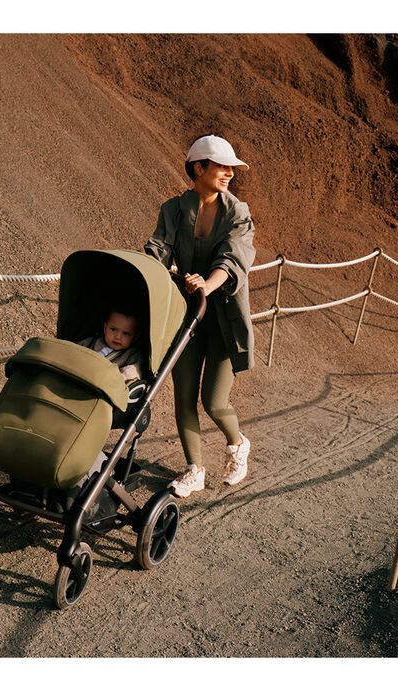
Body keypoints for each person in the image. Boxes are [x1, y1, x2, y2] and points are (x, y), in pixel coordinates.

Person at [144, 134, 256, 497]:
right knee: (183, 398)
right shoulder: (173, 210)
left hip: (221, 317)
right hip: (186, 317)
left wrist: (207, 285)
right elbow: (158, 250)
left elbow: (233, 258)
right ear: (199, 168)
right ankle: (195, 469)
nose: (229, 174)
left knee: (214, 402)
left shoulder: (237, 212)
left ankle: (238, 444)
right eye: (222, 167)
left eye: (231, 168)